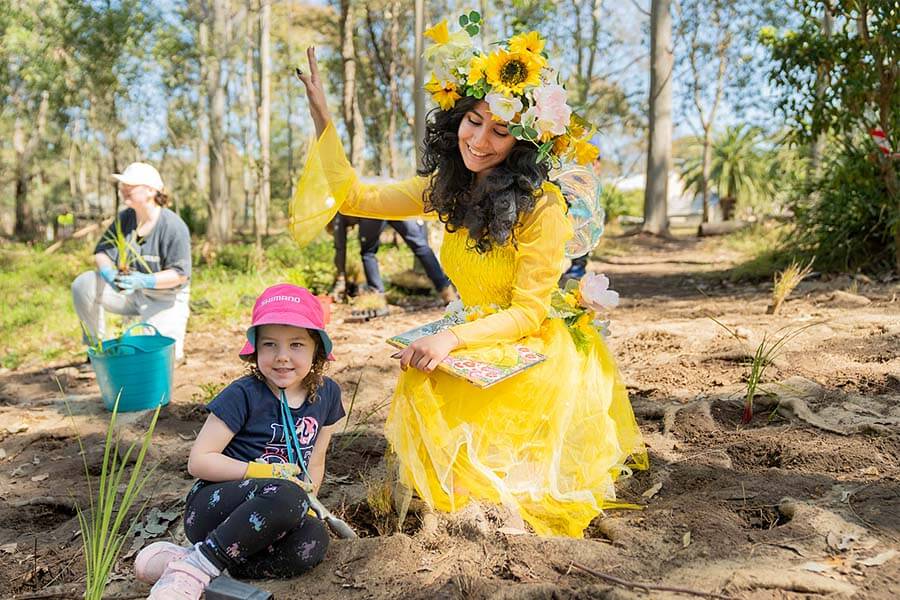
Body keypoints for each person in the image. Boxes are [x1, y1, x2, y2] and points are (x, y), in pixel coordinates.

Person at [293, 19, 646, 537]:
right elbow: (355, 198)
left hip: (530, 337)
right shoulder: (446, 187)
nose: (479, 140)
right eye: (472, 121)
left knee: (464, 389)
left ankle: (493, 498)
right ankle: (461, 494)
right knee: (425, 372)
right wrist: (323, 117)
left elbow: (528, 312)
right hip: (472, 327)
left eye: (499, 131)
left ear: (522, 143)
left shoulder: (541, 206)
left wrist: (451, 336)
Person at [135, 283, 343, 598]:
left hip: (273, 512)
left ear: (317, 350)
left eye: (297, 345)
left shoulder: (327, 394)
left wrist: (308, 502)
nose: (282, 357)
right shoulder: (243, 394)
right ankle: (192, 573)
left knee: (312, 542)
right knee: (285, 494)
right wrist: (260, 472)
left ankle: (195, 559)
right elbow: (200, 461)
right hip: (216, 506)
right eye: (270, 344)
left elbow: (315, 460)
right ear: (256, 348)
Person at [71, 162, 191, 361]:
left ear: (151, 191)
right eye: (122, 186)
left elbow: (180, 274)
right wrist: (109, 274)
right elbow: (102, 253)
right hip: (128, 293)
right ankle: (98, 348)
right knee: (83, 284)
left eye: (130, 186)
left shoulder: (172, 225)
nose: (123, 190)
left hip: (165, 298)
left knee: (159, 357)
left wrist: (145, 280)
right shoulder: (125, 219)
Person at [331, 213, 456, 311]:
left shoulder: (341, 212)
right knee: (420, 246)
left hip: (373, 208)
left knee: (368, 252)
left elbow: (340, 248)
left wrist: (341, 276)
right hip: (395, 202)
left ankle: (377, 295)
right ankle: (447, 292)